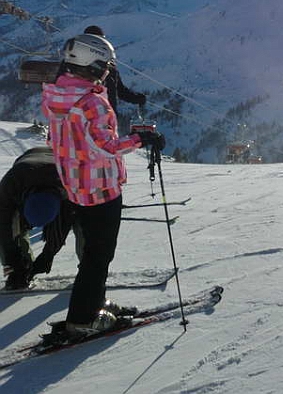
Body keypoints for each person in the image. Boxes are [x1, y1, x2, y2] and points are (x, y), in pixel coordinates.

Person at [41, 33, 165, 336]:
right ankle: (82, 320)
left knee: (95, 251)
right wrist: (141, 139)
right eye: (105, 65)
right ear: (93, 64)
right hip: (101, 187)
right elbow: (106, 146)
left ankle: (93, 302)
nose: (108, 70)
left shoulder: (56, 95)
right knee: (99, 255)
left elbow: (56, 139)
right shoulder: (92, 102)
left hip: (74, 185)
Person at [0, 147, 74, 290]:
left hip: (61, 161)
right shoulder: (11, 185)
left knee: (84, 224)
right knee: (11, 225)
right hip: (29, 160)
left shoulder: (69, 188)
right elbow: (3, 226)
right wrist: (13, 259)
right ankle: (18, 270)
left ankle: (88, 270)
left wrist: (48, 255)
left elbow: (64, 224)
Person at [82, 25, 146, 114]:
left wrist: (136, 98)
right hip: (83, 118)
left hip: (106, 118)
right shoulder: (75, 63)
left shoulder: (109, 66)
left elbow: (120, 90)